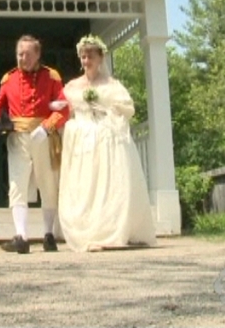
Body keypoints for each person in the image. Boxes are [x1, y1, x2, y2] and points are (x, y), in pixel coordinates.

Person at [56, 35, 157, 252]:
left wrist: (108, 112)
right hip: (83, 140)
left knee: (108, 184)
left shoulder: (112, 85)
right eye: (83, 57)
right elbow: (64, 109)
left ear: (100, 57)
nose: (86, 61)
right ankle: (89, 230)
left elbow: (127, 109)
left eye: (90, 56)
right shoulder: (73, 86)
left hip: (106, 138)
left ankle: (108, 230)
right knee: (87, 184)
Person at [0, 35, 69, 253]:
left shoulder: (52, 77)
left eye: (27, 54)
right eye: (20, 54)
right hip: (17, 138)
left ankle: (48, 234)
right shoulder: (8, 79)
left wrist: (47, 127)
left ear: (38, 54)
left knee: (47, 183)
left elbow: (64, 109)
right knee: (17, 184)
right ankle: (21, 236)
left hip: (43, 137)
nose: (23, 58)